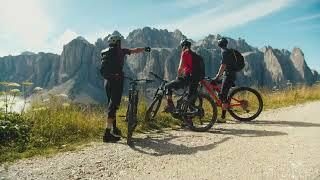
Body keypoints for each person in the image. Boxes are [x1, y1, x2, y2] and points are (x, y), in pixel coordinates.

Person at [102, 35, 151, 142]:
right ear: (117, 42)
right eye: (120, 42)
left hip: (107, 81)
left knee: (110, 104)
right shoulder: (120, 51)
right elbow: (134, 50)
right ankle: (107, 133)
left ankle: (114, 129)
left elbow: (103, 69)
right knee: (114, 105)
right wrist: (145, 49)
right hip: (117, 80)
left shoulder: (105, 52)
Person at [163, 39, 199, 114]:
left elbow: (180, 68)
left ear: (183, 46)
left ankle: (170, 106)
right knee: (185, 98)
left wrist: (178, 77)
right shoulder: (194, 54)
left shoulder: (184, 53)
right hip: (195, 79)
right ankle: (187, 121)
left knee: (167, 86)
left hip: (188, 77)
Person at [214, 37, 237, 123]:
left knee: (223, 95)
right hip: (230, 75)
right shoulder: (228, 51)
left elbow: (223, 65)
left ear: (219, 45)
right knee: (221, 92)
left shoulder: (224, 52)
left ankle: (223, 117)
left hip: (228, 76)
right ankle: (226, 103)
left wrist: (217, 76)